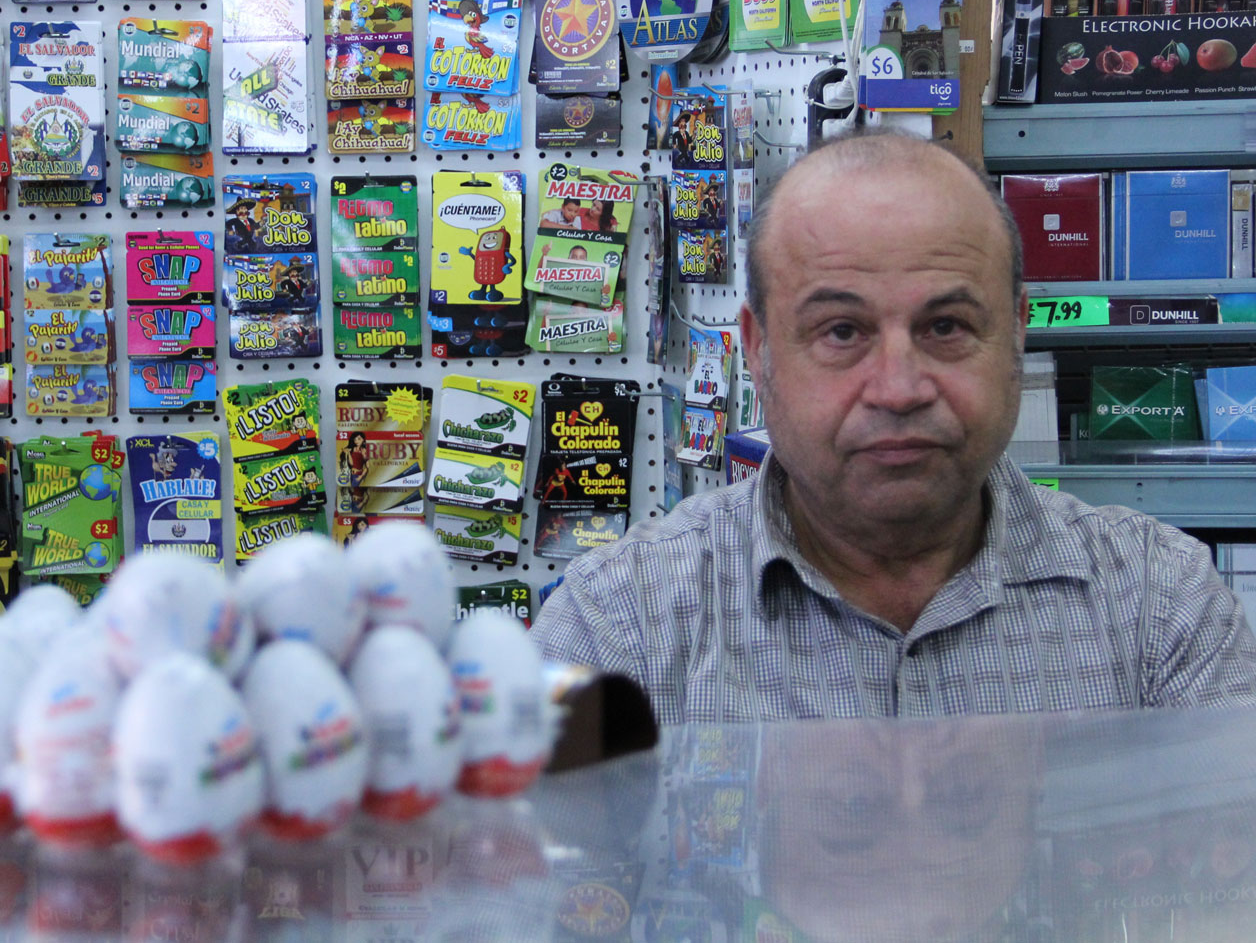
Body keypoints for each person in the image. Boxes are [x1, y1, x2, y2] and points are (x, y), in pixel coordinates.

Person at [532, 131, 1256, 721]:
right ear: (757, 349)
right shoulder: (618, 626)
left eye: (946, 325)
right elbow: (530, 890)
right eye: (841, 330)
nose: (899, 388)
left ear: (1017, 332)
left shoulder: (1162, 609)